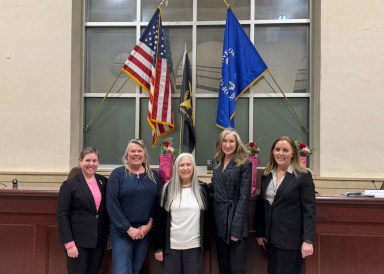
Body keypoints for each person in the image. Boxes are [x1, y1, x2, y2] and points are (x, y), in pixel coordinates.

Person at [255, 136, 316, 274]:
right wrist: (260, 232)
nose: (280, 153)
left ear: (293, 153)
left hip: (291, 241)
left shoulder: (303, 176)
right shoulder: (267, 174)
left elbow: (309, 210)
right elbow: (262, 206)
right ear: (272, 152)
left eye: (285, 150)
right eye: (277, 149)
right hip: (271, 239)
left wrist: (308, 240)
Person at [106, 139, 161, 274]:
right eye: (133, 151)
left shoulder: (153, 175)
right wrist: (128, 228)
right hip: (122, 232)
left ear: (145, 154)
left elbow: (157, 202)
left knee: (135, 270)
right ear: (127, 155)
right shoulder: (117, 174)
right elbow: (112, 204)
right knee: (122, 271)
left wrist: (149, 225)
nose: (136, 154)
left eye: (139, 151)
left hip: (144, 232)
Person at [153, 153, 211, 274]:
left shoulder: (202, 189)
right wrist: (158, 247)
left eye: (188, 164)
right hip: (171, 248)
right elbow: (159, 221)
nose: (185, 168)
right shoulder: (166, 190)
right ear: (176, 168)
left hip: (194, 247)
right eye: (181, 165)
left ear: (193, 167)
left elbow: (208, 219)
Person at [57, 147, 109, 274]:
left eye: (94, 160)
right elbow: (62, 215)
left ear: (98, 162)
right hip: (77, 242)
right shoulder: (69, 185)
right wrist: (69, 243)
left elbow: (105, 212)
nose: (91, 164)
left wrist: (109, 237)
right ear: (80, 161)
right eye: (87, 160)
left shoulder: (104, 181)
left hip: (98, 241)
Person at [211, 128, 252, 274]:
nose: (227, 145)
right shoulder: (217, 162)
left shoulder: (244, 164)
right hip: (220, 221)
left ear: (237, 144)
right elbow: (215, 186)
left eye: (231, 141)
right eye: (225, 141)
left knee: (237, 268)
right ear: (220, 143)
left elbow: (244, 198)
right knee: (223, 266)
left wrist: (236, 229)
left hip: (236, 221)